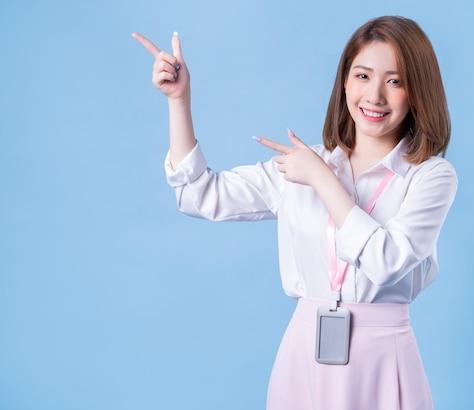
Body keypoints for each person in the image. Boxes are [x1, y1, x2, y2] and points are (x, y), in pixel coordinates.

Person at [134, 15, 457, 410]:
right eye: (362, 76)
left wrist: (323, 179)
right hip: (306, 352)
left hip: (383, 358)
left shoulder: (431, 176)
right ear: (343, 81)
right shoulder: (301, 166)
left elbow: (386, 262)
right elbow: (199, 195)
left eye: (395, 80)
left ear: (417, 90)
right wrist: (178, 102)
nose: (374, 95)